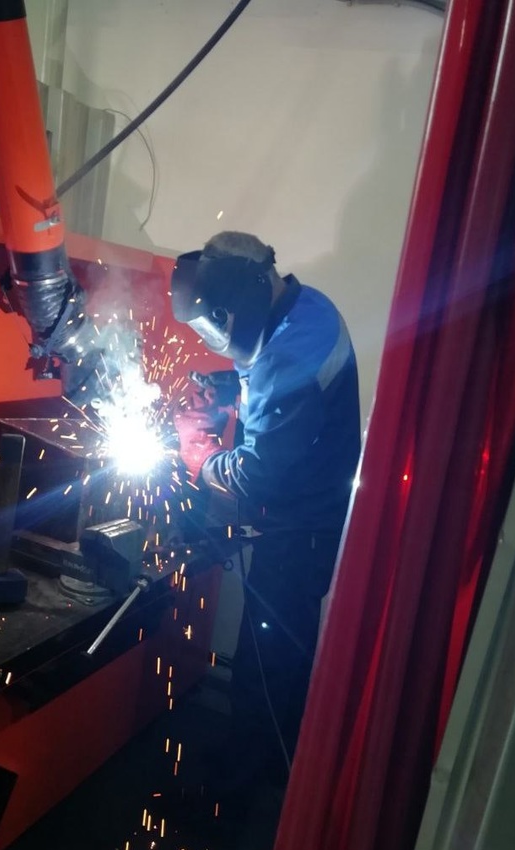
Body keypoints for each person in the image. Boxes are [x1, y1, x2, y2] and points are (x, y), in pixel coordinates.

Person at [170, 231, 361, 795]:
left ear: (247, 296)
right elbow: (267, 381)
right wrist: (226, 387)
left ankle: (241, 800)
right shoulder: (302, 311)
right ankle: (260, 770)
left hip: (299, 534)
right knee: (273, 659)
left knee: (264, 667)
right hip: (300, 521)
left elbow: (257, 473)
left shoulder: (292, 351)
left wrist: (201, 460)